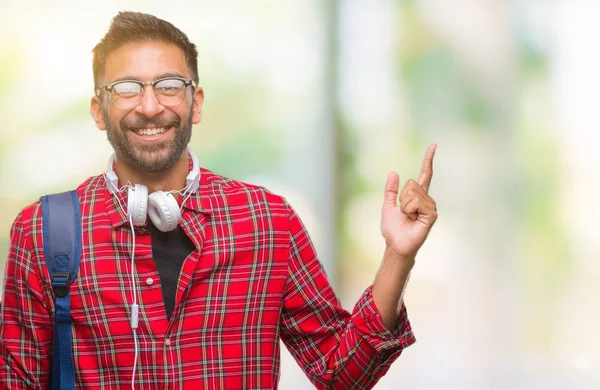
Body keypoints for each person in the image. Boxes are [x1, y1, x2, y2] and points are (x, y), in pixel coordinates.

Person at [0, 11, 438, 390]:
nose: (150, 106)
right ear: (99, 110)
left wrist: (398, 256)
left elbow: (343, 374)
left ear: (196, 103)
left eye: (169, 86)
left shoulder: (267, 221)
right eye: (128, 88)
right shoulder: (43, 230)